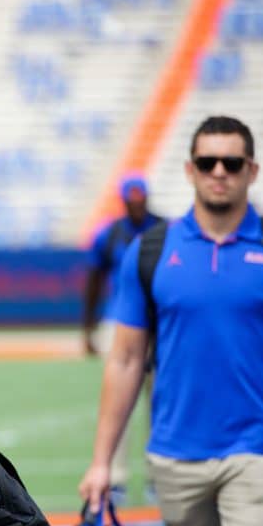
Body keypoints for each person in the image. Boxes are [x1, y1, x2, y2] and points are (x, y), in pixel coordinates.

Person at [78, 115, 263, 526]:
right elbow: (125, 360)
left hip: (260, 451)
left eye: (232, 162)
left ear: (251, 170)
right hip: (177, 456)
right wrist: (101, 463)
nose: (219, 171)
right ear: (190, 170)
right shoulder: (151, 251)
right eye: (208, 161)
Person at [80, 174, 161, 504]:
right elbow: (94, 279)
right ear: (124, 199)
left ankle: (160, 475)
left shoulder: (164, 231)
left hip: (159, 321)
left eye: (141, 197)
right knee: (119, 399)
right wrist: (88, 328)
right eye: (132, 197)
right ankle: (114, 477)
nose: (137, 203)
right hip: (122, 320)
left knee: (160, 399)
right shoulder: (110, 234)